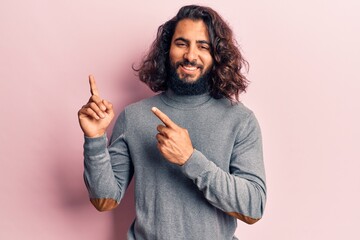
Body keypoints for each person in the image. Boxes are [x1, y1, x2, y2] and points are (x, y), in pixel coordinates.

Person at [78, 5, 266, 240]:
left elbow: (253, 208)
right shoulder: (133, 117)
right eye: (181, 43)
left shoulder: (240, 120)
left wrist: (190, 159)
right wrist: (95, 138)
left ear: (217, 55)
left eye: (203, 46)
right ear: (167, 50)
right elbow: (104, 200)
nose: (190, 55)